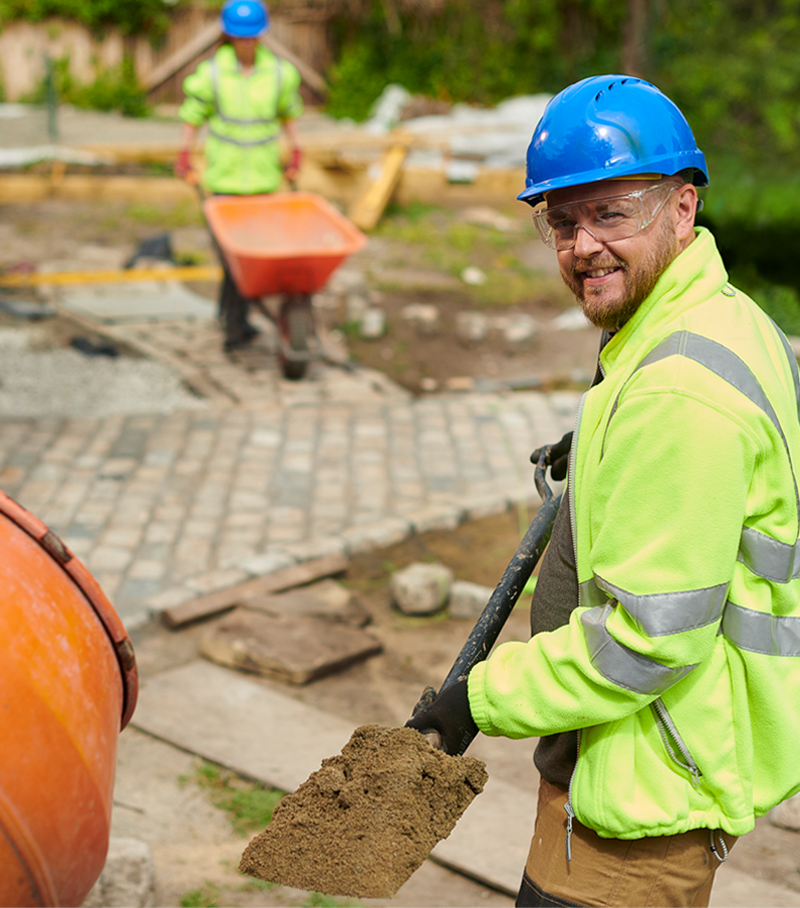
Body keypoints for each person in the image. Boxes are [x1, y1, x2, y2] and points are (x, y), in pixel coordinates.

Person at [407, 74, 800, 907]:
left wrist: (475, 697)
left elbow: (644, 645)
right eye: (561, 219)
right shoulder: (723, 319)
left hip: (642, 801)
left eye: (611, 213)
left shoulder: (677, 393)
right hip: (645, 769)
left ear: (683, 207)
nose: (582, 244)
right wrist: (599, 444)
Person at [175, 0, 304, 351]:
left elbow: (288, 112)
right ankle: (234, 325)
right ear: (228, 36)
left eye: (251, 38)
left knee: (251, 259)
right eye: (239, 38)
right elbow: (193, 112)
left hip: (263, 180)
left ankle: (234, 320)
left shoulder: (278, 73)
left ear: (261, 36)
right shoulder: (213, 73)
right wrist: (185, 152)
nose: (246, 44)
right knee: (231, 260)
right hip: (223, 180)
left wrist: (296, 149)